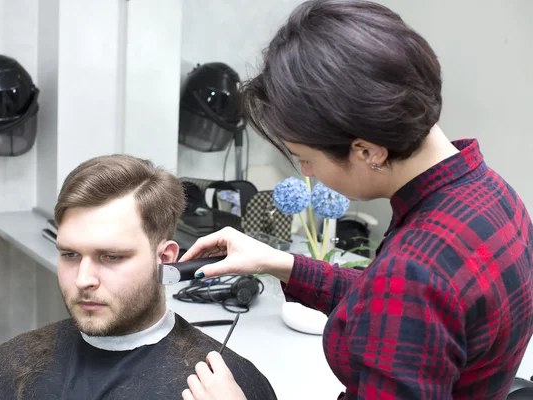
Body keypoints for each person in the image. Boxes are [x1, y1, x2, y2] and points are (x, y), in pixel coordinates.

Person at [180, 1, 533, 399]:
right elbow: (394, 304)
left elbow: (404, 294)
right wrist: (280, 263)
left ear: (368, 151)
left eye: (306, 158)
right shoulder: (493, 194)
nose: (307, 172)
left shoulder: (414, 273)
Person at [0, 155, 277, 400]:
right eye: (70, 254)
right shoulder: (15, 361)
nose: (83, 279)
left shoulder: (223, 385)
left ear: (165, 259)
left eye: (111, 256)